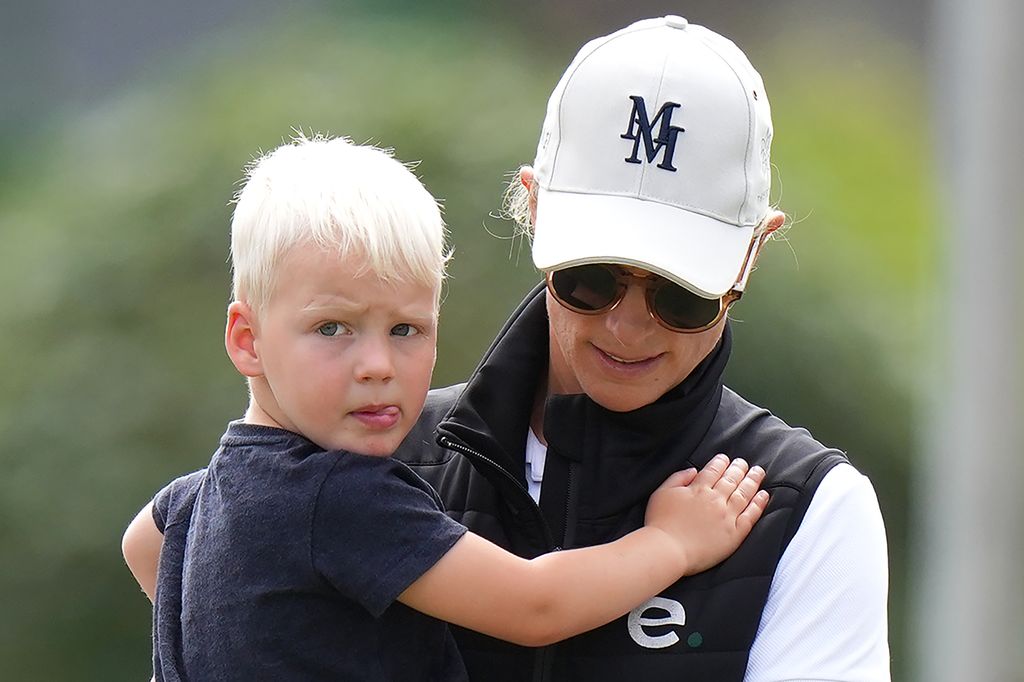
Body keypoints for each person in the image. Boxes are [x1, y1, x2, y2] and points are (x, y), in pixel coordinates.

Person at [120, 133, 770, 681]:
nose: (377, 364)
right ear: (247, 340)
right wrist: (672, 542)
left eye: (405, 330)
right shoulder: (340, 498)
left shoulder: (197, 503)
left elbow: (140, 545)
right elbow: (534, 606)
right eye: (333, 329)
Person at [393, 15, 890, 681]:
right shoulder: (379, 460)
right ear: (534, 211)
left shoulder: (815, 511)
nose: (628, 328)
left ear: (752, 253)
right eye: (591, 279)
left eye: (679, 294)